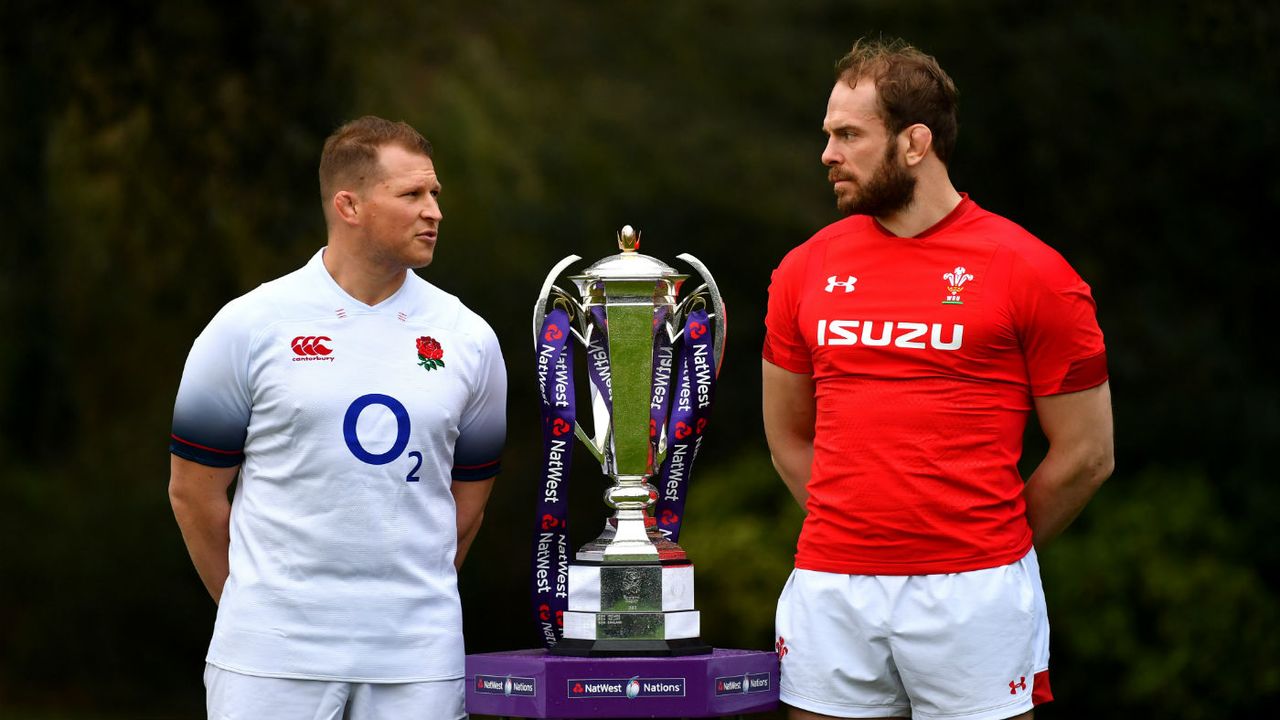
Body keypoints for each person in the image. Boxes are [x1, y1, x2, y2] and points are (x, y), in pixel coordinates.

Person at [762, 38, 1114, 720]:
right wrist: (863, 532)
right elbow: (785, 435)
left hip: (975, 595)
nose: (827, 154)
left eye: (848, 135)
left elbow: (1087, 455)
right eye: (827, 135)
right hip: (831, 588)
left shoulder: (1033, 271)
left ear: (915, 142)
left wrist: (987, 544)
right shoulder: (803, 269)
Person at [168, 115, 506, 719]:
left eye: (435, 195)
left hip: (416, 660)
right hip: (270, 658)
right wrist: (259, 608)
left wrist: (401, 604)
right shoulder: (249, 325)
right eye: (412, 195)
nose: (434, 211)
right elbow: (194, 494)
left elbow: (469, 500)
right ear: (349, 205)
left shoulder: (469, 337)